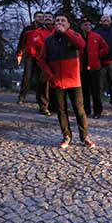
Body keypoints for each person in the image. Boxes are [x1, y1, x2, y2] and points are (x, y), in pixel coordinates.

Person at [37, 13, 94, 149]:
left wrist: (66, 33)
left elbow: (81, 45)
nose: (59, 23)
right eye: (57, 21)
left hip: (74, 80)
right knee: (61, 111)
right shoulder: (49, 40)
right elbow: (41, 59)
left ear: (68, 24)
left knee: (79, 109)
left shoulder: (74, 36)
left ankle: (84, 136)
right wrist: (50, 75)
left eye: (63, 21)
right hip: (57, 81)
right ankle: (66, 136)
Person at [80, 18, 109, 118]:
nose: (87, 27)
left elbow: (105, 48)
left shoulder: (96, 36)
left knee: (96, 91)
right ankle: (86, 110)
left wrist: (98, 54)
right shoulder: (78, 37)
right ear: (81, 26)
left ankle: (97, 111)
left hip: (94, 67)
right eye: (85, 25)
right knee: (85, 91)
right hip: (82, 68)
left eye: (89, 25)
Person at [16, 11, 44, 104]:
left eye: (42, 17)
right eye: (39, 17)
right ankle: (22, 96)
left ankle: (39, 98)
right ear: (34, 18)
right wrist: (19, 53)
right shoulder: (27, 29)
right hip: (29, 56)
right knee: (27, 77)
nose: (40, 18)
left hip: (41, 57)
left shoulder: (45, 29)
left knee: (39, 78)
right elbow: (21, 42)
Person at [32, 12, 55, 115]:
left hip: (55, 61)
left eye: (50, 17)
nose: (48, 19)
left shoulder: (57, 31)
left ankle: (54, 106)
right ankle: (43, 106)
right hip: (43, 61)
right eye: (46, 17)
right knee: (43, 85)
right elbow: (38, 44)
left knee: (55, 84)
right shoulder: (38, 32)